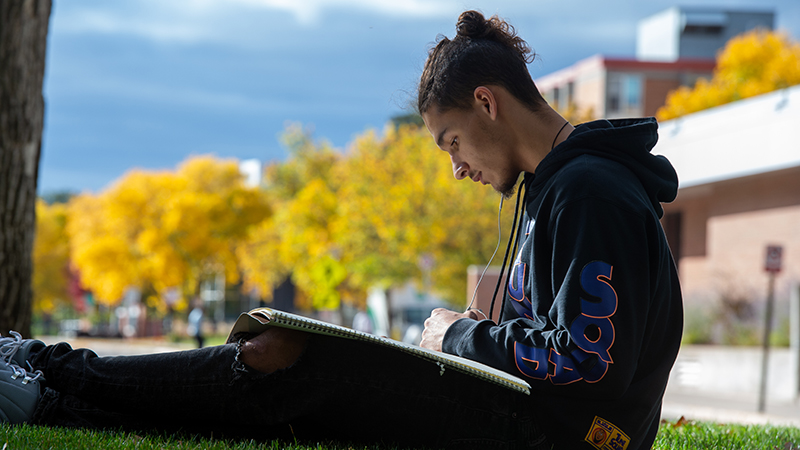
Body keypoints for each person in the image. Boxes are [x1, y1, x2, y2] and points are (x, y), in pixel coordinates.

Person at [0, 10, 681, 449]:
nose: (456, 168)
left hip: (573, 437)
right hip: (533, 420)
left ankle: (44, 369)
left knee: (286, 358)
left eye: (450, 142)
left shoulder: (591, 192)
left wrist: (457, 334)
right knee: (285, 375)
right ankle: (47, 390)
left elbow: (589, 366)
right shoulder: (557, 190)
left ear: (485, 103)